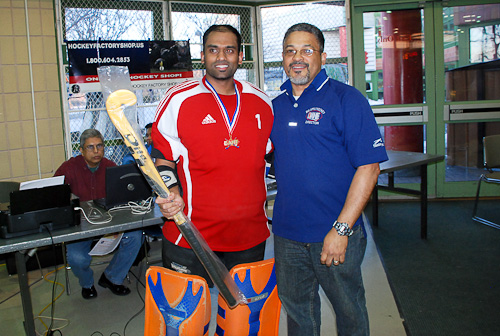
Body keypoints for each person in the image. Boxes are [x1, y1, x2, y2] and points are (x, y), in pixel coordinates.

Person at [270, 23, 388, 336]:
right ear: (283, 58)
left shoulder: (347, 99)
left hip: (335, 232)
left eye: (307, 50)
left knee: (348, 309)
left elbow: (369, 167)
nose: (298, 57)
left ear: (322, 56)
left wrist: (342, 228)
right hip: (287, 234)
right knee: (298, 313)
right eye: (290, 51)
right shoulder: (276, 106)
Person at [151, 24, 273, 287]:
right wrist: (170, 190)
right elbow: (162, 158)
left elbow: (268, 159)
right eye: (213, 50)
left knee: (243, 322)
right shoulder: (178, 99)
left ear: (240, 56)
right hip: (190, 237)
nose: (221, 57)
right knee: (187, 322)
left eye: (229, 50)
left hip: (249, 237)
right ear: (203, 56)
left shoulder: (262, 102)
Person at [54, 129, 143, 299]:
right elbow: (54, 196)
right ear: (81, 150)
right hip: (81, 226)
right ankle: (87, 284)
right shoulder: (69, 168)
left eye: (99, 146)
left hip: (109, 222)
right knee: (77, 258)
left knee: (135, 237)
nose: (96, 151)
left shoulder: (110, 167)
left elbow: (123, 197)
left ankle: (112, 278)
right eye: (90, 147)